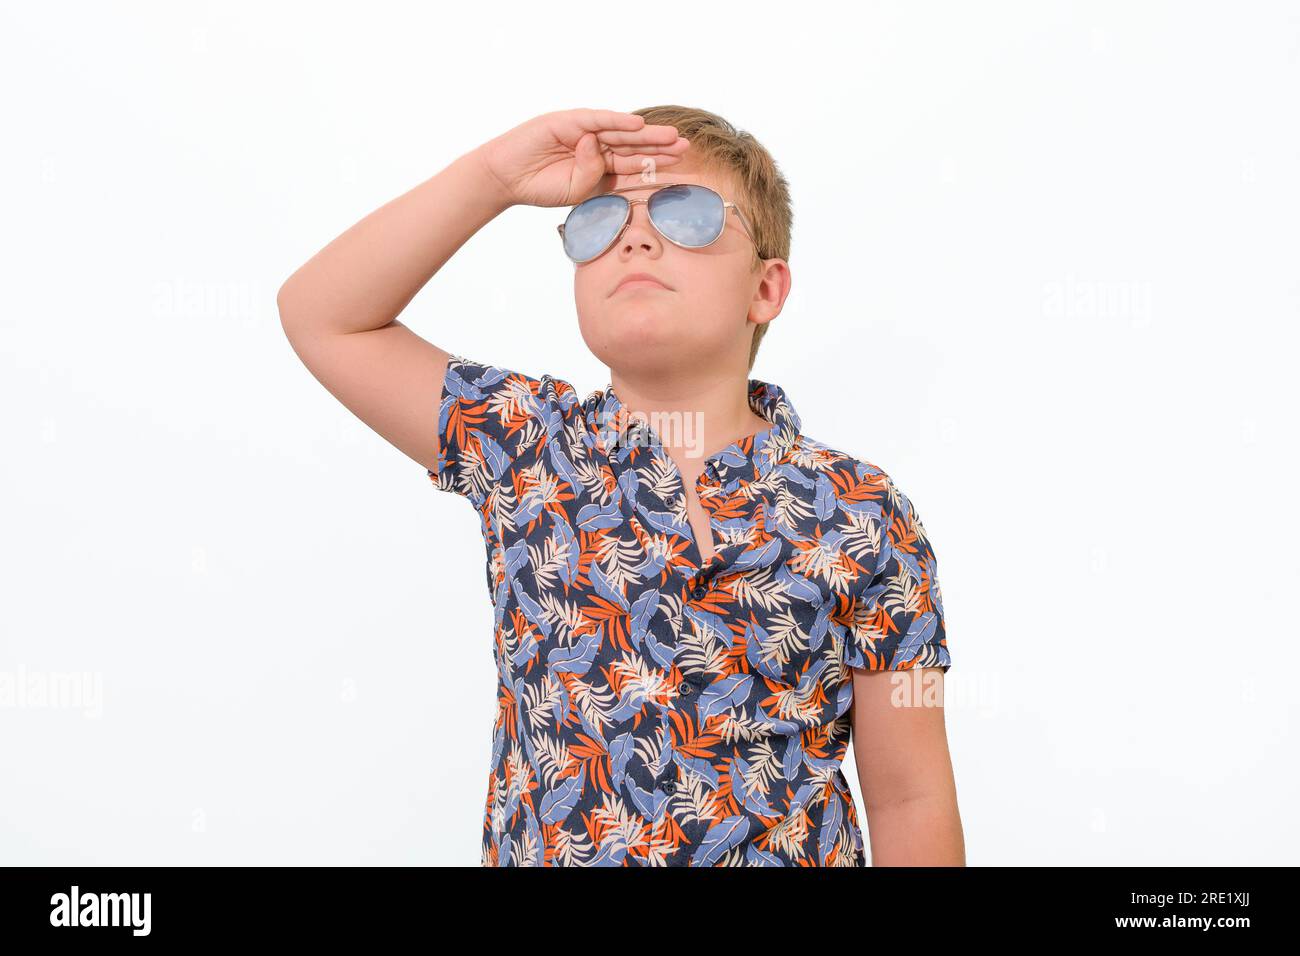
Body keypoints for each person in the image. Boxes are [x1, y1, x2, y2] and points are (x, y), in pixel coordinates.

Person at [277, 106, 963, 867]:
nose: (634, 236)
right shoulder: (526, 444)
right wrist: (495, 179)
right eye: (600, 220)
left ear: (765, 289)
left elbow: (912, 798)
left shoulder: (867, 512)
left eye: (688, 214)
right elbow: (321, 316)